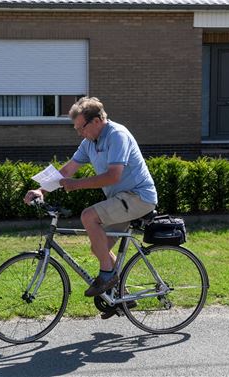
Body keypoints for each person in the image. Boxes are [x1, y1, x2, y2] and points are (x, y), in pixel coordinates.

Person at [24, 97, 157, 300]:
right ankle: (120, 297)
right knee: (99, 247)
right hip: (121, 199)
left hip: (138, 197)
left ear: (96, 121)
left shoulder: (117, 136)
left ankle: (107, 276)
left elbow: (114, 176)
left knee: (89, 216)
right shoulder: (89, 143)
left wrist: (76, 184)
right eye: (76, 129)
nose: (79, 133)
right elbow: (68, 169)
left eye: (81, 127)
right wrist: (42, 191)